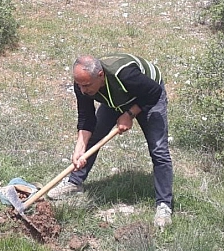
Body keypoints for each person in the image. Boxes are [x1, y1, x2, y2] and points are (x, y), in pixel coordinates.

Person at [48, 53, 174, 228]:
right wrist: (80, 147)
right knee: (94, 137)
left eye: (86, 85)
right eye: (80, 85)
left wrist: (129, 114)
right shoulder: (83, 84)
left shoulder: (125, 74)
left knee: (158, 150)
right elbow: (86, 118)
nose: (83, 90)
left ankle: (164, 205)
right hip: (116, 96)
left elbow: (154, 91)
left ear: (100, 76)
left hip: (148, 93)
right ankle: (74, 183)